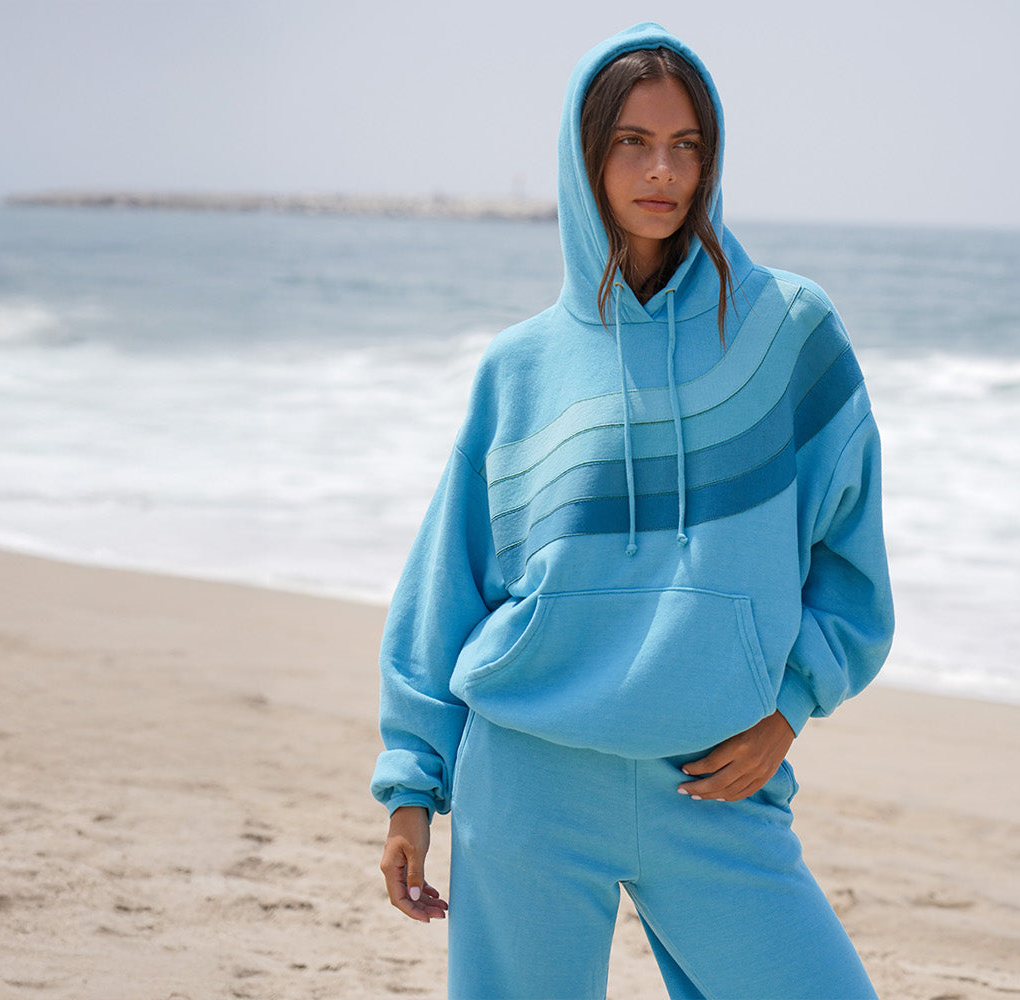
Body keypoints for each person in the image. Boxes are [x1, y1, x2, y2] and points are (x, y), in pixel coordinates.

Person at [373, 22, 894, 999]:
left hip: (714, 781)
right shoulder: (520, 367)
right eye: (631, 142)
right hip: (530, 773)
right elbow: (447, 582)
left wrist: (789, 708)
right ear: (585, 158)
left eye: (686, 144)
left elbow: (850, 565)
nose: (663, 170)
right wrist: (411, 786)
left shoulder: (788, 331)